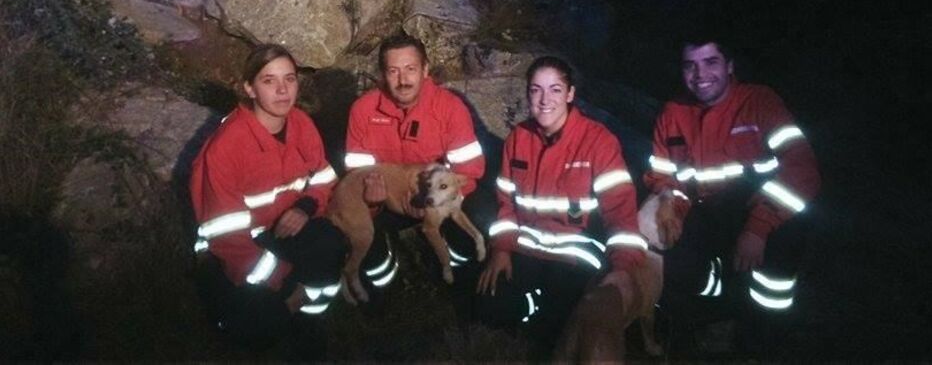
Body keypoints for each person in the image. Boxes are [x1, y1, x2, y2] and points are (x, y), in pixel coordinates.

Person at [645, 38, 820, 353]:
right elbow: (662, 175)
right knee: (672, 265)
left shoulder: (759, 102)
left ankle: (764, 341)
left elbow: (803, 170)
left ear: (729, 66)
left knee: (773, 280)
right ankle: (720, 312)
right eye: (690, 65)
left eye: (710, 62)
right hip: (707, 212)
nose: (700, 75)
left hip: (763, 213)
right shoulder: (673, 112)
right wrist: (671, 206)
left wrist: (757, 229)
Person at [476, 56, 646, 356]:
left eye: (555, 90)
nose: (544, 100)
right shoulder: (518, 138)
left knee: (562, 328)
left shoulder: (598, 141)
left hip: (576, 254)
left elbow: (620, 210)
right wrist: (501, 249)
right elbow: (506, 203)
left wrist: (622, 269)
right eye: (535, 90)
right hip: (527, 247)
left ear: (570, 94)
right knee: (489, 305)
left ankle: (544, 317)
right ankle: (532, 311)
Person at [189, 44, 347, 351]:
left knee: (330, 244)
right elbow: (227, 239)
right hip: (234, 247)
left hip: (284, 228)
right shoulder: (227, 146)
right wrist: (285, 282)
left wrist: (304, 206)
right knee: (251, 326)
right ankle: (281, 311)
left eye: (289, 79)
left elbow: (324, 178)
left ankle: (309, 326)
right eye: (269, 81)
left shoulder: (301, 123)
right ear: (250, 88)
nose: (282, 90)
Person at [343, 34, 489, 291]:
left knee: (480, 216)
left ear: (425, 69)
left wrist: (440, 203)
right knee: (362, 239)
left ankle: (454, 275)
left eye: (411, 69)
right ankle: (386, 286)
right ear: (383, 74)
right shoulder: (363, 110)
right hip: (385, 201)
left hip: (436, 198)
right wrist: (373, 199)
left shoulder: (450, 108)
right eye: (393, 71)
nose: (403, 80)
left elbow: (469, 171)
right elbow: (357, 172)